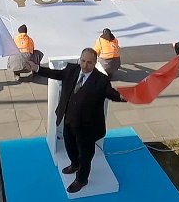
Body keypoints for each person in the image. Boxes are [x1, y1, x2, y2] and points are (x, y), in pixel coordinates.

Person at [34, 48, 127, 193]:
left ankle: (81, 179)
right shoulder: (72, 70)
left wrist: (124, 96)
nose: (85, 65)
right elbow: (55, 74)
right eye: (83, 61)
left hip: (88, 127)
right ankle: (74, 163)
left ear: (95, 63)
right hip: (69, 120)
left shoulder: (101, 80)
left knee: (85, 155)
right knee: (69, 145)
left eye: (89, 63)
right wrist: (37, 68)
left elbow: (111, 93)